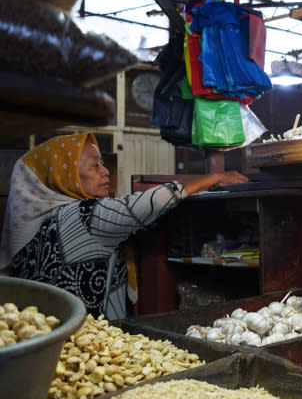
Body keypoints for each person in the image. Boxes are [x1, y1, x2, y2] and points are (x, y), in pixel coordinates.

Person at [0, 133, 248, 320]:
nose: (106, 172)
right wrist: (215, 177)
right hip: (91, 342)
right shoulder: (83, 214)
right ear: (63, 176)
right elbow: (144, 205)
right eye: (94, 165)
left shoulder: (35, 224)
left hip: (51, 336)